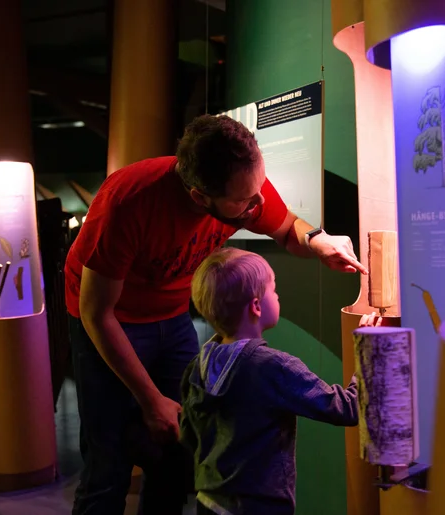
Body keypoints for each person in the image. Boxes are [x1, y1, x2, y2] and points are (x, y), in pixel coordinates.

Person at [64, 114, 368, 515]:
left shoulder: (243, 183)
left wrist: (318, 240)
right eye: (244, 201)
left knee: (177, 457)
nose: (258, 204)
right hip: (110, 323)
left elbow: (286, 227)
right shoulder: (128, 202)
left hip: (171, 317)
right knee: (108, 466)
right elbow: (96, 312)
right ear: (199, 197)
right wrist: (151, 399)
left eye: (258, 189)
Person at [181, 248, 376, 515]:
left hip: (209, 503)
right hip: (259, 508)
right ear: (257, 306)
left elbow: (188, 438)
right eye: (274, 289)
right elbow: (348, 408)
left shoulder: (196, 368)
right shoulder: (273, 367)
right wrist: (367, 350)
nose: (278, 295)